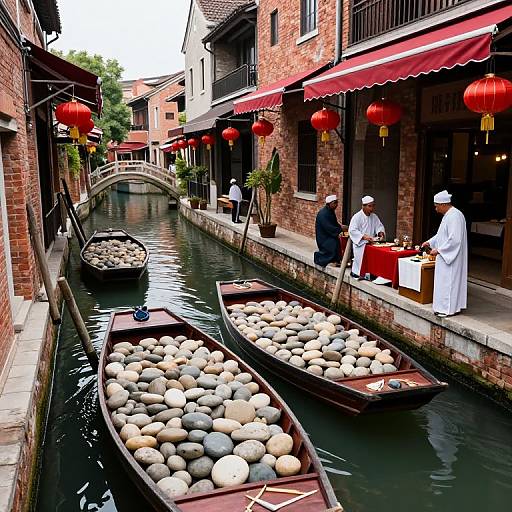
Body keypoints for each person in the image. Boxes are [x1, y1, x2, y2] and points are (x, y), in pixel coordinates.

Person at [421, 190, 467, 318]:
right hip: (445, 256)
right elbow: (441, 235)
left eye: (436, 206)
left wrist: (439, 250)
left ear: (443, 204)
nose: (436, 209)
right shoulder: (448, 215)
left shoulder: (455, 216)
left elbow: (454, 239)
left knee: (449, 282)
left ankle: (448, 309)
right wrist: (429, 242)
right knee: (444, 282)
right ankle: (442, 306)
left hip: (451, 258)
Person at [348, 195, 385, 278]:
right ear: (363, 206)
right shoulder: (356, 217)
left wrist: (380, 233)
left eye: (373, 206)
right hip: (361, 244)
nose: (371, 208)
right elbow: (352, 230)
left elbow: (379, 226)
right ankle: (357, 273)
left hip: (371, 243)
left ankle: (371, 274)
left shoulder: (374, 216)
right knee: (360, 262)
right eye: (369, 206)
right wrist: (363, 237)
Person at [314, 195, 345, 267]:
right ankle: (329, 260)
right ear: (329, 204)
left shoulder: (330, 211)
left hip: (329, 235)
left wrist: (341, 227)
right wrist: (341, 229)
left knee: (337, 241)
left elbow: (334, 223)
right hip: (324, 237)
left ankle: (337, 259)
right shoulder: (323, 214)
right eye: (335, 203)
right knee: (333, 243)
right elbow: (329, 227)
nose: (336, 205)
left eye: (337, 203)